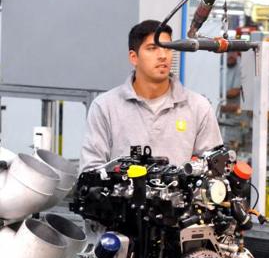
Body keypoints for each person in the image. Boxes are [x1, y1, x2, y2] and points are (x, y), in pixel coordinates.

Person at [80, 20, 222, 171]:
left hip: (180, 195)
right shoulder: (105, 107)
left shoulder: (198, 107)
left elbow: (214, 170)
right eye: (152, 48)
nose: (162, 55)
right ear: (134, 57)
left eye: (167, 48)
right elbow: (90, 170)